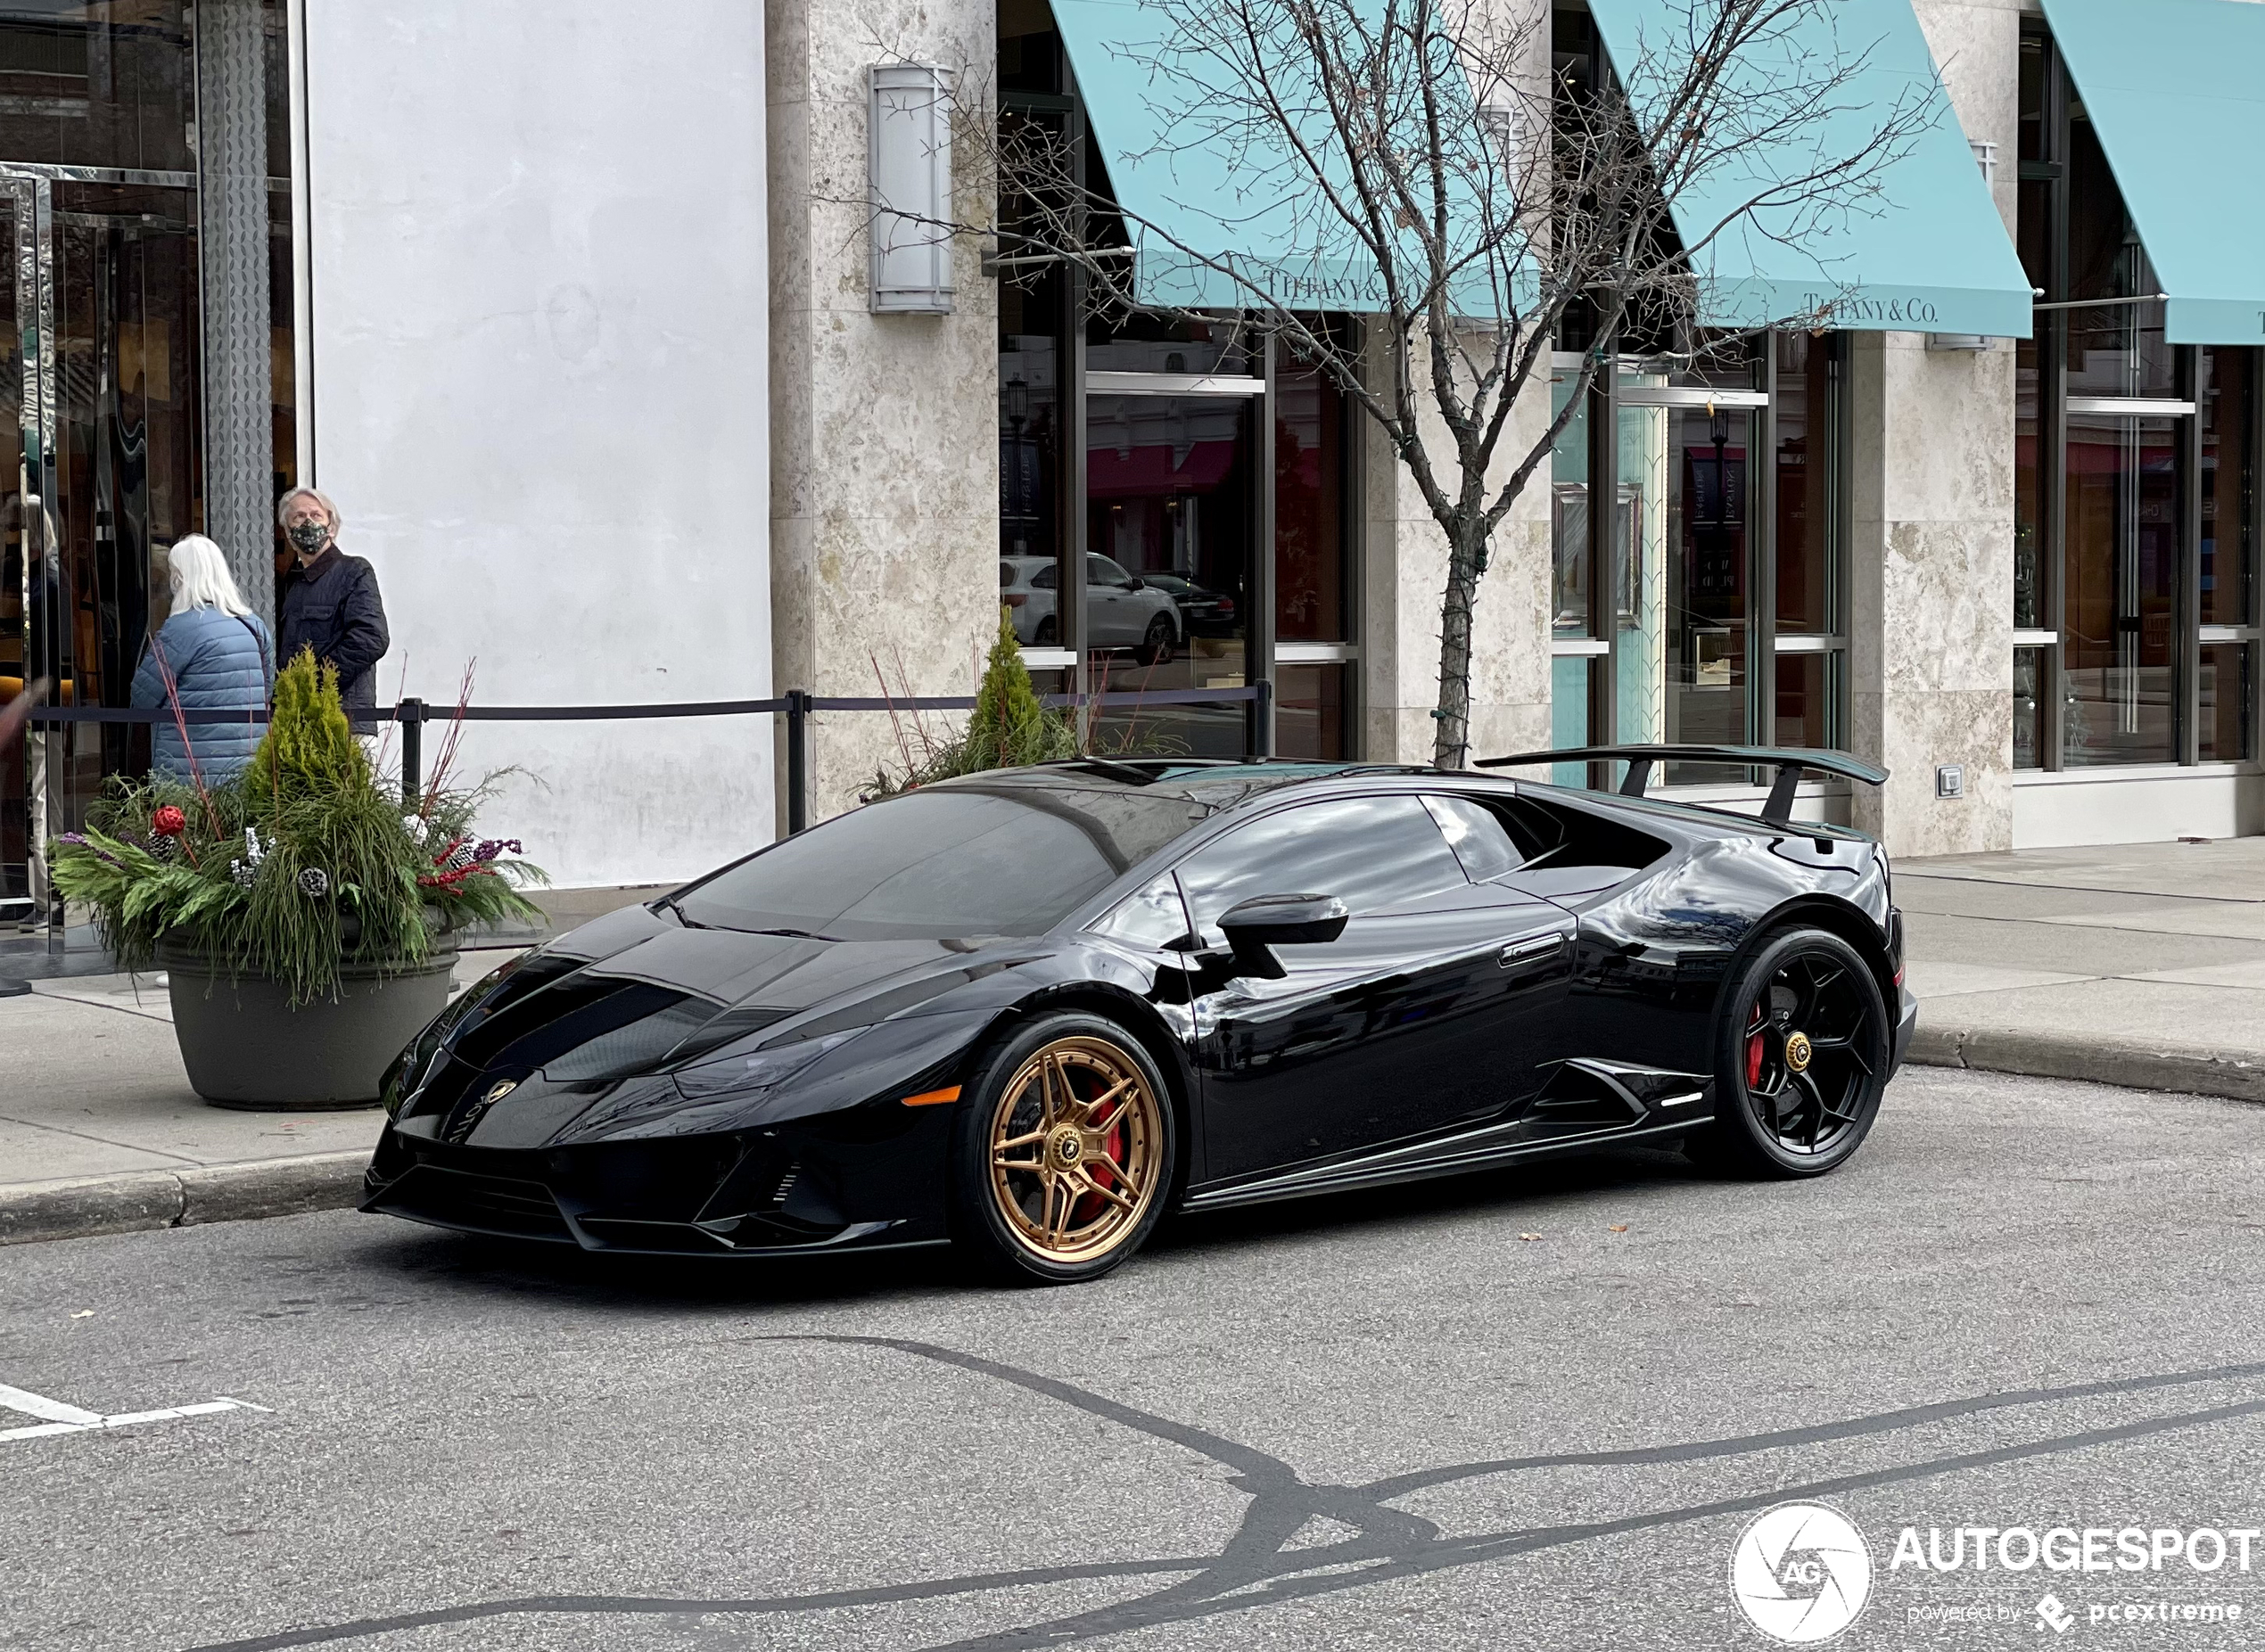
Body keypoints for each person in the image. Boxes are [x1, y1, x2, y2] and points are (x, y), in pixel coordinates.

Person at [130, 535, 276, 783]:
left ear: (180, 577)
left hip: (189, 769)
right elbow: (267, 690)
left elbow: (142, 698)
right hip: (248, 765)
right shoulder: (253, 625)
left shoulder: (181, 629)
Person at [276, 487, 389, 725]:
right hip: (298, 720)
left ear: (332, 528)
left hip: (347, 719)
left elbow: (371, 639)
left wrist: (315, 683)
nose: (308, 523)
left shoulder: (355, 571)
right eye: (298, 517)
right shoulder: (292, 583)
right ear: (288, 532)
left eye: (316, 516)